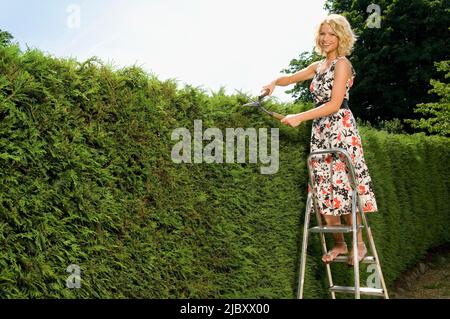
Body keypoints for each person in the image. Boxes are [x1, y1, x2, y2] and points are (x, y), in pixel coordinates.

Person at [262, 14, 378, 266]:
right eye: (322, 33)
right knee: (323, 189)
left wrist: (299, 117)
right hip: (321, 131)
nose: (325, 38)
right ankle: (339, 244)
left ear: (341, 38)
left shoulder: (343, 64)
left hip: (340, 128)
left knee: (345, 187)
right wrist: (273, 83)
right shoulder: (317, 66)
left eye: (331, 34)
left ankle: (358, 245)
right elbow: (290, 78)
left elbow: (335, 103)